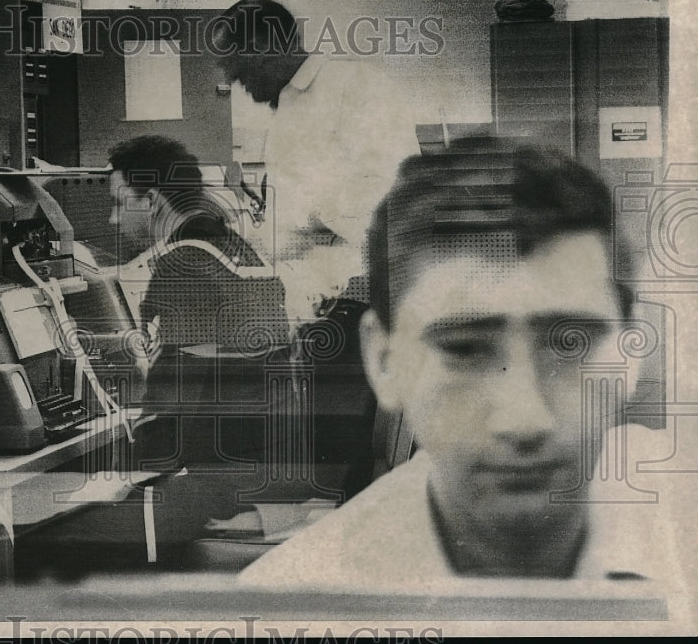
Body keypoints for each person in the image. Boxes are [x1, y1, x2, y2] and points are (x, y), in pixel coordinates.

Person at [239, 138, 686, 587]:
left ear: (631, 352)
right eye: (465, 350)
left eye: (569, 345)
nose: (524, 419)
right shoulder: (293, 611)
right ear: (384, 360)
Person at [17, 136, 292, 574]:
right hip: (261, 469)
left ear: (152, 200)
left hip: (225, 490)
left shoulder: (185, 264)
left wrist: (111, 482)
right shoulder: (227, 246)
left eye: (120, 201)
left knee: (36, 547)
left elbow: (167, 429)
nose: (112, 216)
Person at [212, 0, 421, 322]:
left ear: (259, 49)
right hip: (306, 297)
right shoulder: (287, 104)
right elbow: (291, 223)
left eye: (240, 75)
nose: (243, 89)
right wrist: (245, 236)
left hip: (360, 298)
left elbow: (396, 198)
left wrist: (308, 211)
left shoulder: (355, 86)